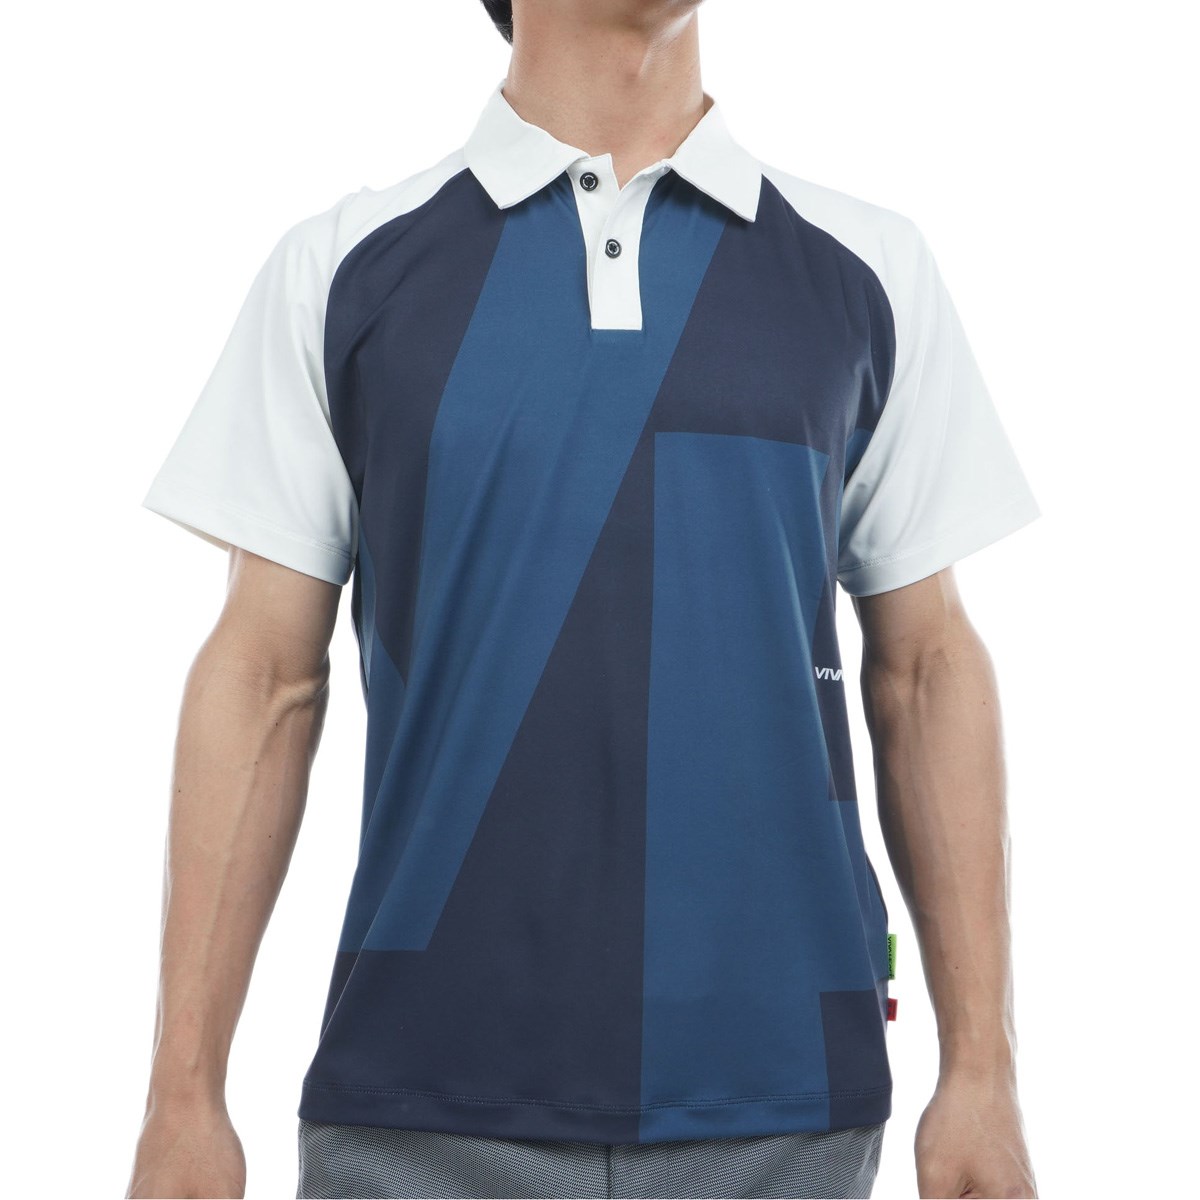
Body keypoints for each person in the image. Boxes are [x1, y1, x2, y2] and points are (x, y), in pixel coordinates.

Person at [125, 1, 1042, 1197]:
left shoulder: (867, 268)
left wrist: (983, 1074)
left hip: (782, 1109)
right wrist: (183, 1095)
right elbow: (263, 679)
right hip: (421, 1107)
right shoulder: (345, 269)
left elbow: (926, 670)